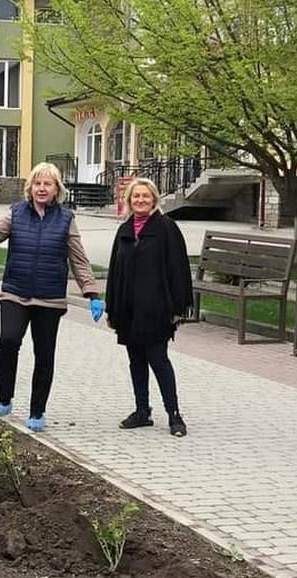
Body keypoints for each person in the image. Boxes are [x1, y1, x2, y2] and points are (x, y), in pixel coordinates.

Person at [0, 162, 102, 432]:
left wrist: (91, 291)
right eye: (37, 183)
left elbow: (78, 258)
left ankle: (37, 411)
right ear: (30, 187)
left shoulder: (66, 219)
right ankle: (4, 400)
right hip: (15, 292)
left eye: (47, 184)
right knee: (9, 341)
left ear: (57, 189)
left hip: (49, 298)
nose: (41, 188)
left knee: (44, 354)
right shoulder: (16, 213)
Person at [104, 177, 193, 437]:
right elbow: (114, 270)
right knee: (136, 360)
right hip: (128, 308)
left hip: (156, 307)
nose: (140, 200)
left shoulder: (166, 228)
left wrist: (178, 307)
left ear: (154, 199)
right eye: (136, 196)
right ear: (129, 200)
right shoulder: (125, 230)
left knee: (158, 359)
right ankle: (142, 411)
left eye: (145, 196)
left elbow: (178, 269)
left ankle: (174, 414)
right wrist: (112, 307)